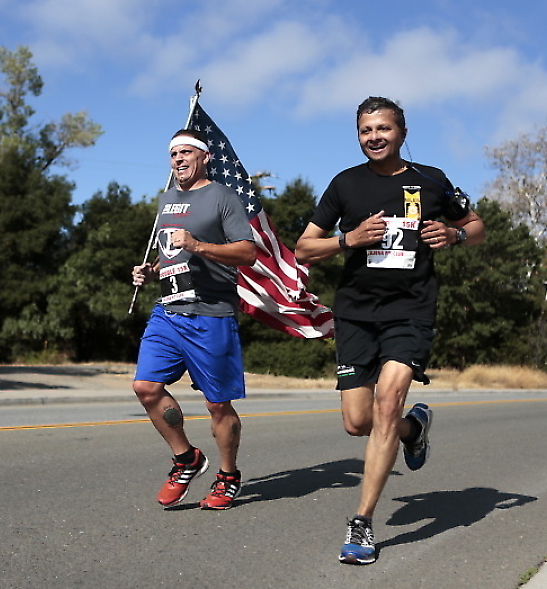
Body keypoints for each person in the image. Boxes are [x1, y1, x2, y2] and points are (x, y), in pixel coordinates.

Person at [295, 96, 485, 564]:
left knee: (387, 402)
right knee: (358, 422)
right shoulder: (345, 184)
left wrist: (456, 235)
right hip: (357, 313)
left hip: (410, 311)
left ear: (402, 132)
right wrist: (348, 239)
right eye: (366, 130)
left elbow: (476, 226)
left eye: (383, 128)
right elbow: (303, 248)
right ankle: (412, 429)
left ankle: (361, 523)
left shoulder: (432, 180)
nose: (374, 137)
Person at [132, 128, 256, 510]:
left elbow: (248, 252)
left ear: (205, 157)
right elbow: (172, 255)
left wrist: (198, 244)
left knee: (218, 405)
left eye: (187, 152)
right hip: (169, 311)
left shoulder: (223, 197)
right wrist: (151, 271)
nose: (179, 159)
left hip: (211, 314)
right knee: (145, 387)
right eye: (174, 154)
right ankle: (186, 458)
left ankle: (228, 475)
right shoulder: (167, 198)